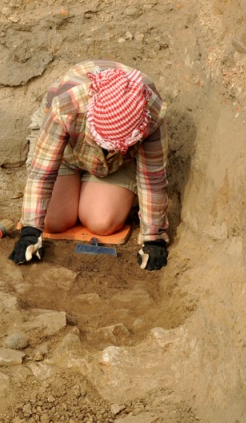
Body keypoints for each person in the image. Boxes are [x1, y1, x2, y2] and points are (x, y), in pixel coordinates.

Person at [9, 60, 170, 271]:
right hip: (68, 151)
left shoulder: (151, 114)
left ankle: (99, 190)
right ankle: (79, 185)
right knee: (51, 221)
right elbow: (43, 171)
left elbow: (153, 179)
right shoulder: (66, 107)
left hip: (117, 163)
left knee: (102, 222)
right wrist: (30, 230)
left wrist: (153, 238)